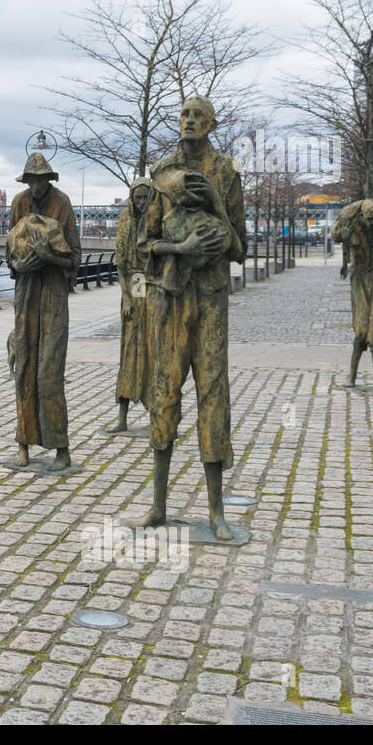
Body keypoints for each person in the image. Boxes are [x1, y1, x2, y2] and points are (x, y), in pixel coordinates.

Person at [135, 95, 246, 540]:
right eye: (184, 114)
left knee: (213, 395)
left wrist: (216, 206)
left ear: (212, 123)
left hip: (212, 300)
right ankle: (158, 505)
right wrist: (180, 250)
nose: (190, 121)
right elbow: (145, 246)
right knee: (164, 393)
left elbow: (240, 245)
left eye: (199, 116)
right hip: (171, 298)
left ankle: (217, 513)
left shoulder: (227, 172)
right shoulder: (163, 176)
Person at [4, 152, 80, 472]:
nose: (36, 186)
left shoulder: (62, 204)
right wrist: (19, 264)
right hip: (26, 296)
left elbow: (74, 257)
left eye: (41, 180)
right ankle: (23, 445)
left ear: (48, 180)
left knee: (49, 373)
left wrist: (50, 257)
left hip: (53, 296)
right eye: (31, 180)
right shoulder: (19, 204)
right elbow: (9, 252)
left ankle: (61, 448)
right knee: (24, 370)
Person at [332, 199, 373, 393]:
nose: (372, 224)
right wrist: (344, 238)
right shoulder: (349, 220)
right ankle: (351, 375)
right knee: (361, 328)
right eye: (369, 220)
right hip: (360, 277)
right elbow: (335, 236)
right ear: (361, 217)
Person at [106, 178, 153, 433]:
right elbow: (121, 263)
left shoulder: (156, 217)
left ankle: (158, 415)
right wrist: (126, 296)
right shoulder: (126, 219)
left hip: (153, 283)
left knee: (152, 350)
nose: (142, 202)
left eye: (146, 197)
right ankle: (122, 416)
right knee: (130, 349)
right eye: (138, 198)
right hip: (135, 282)